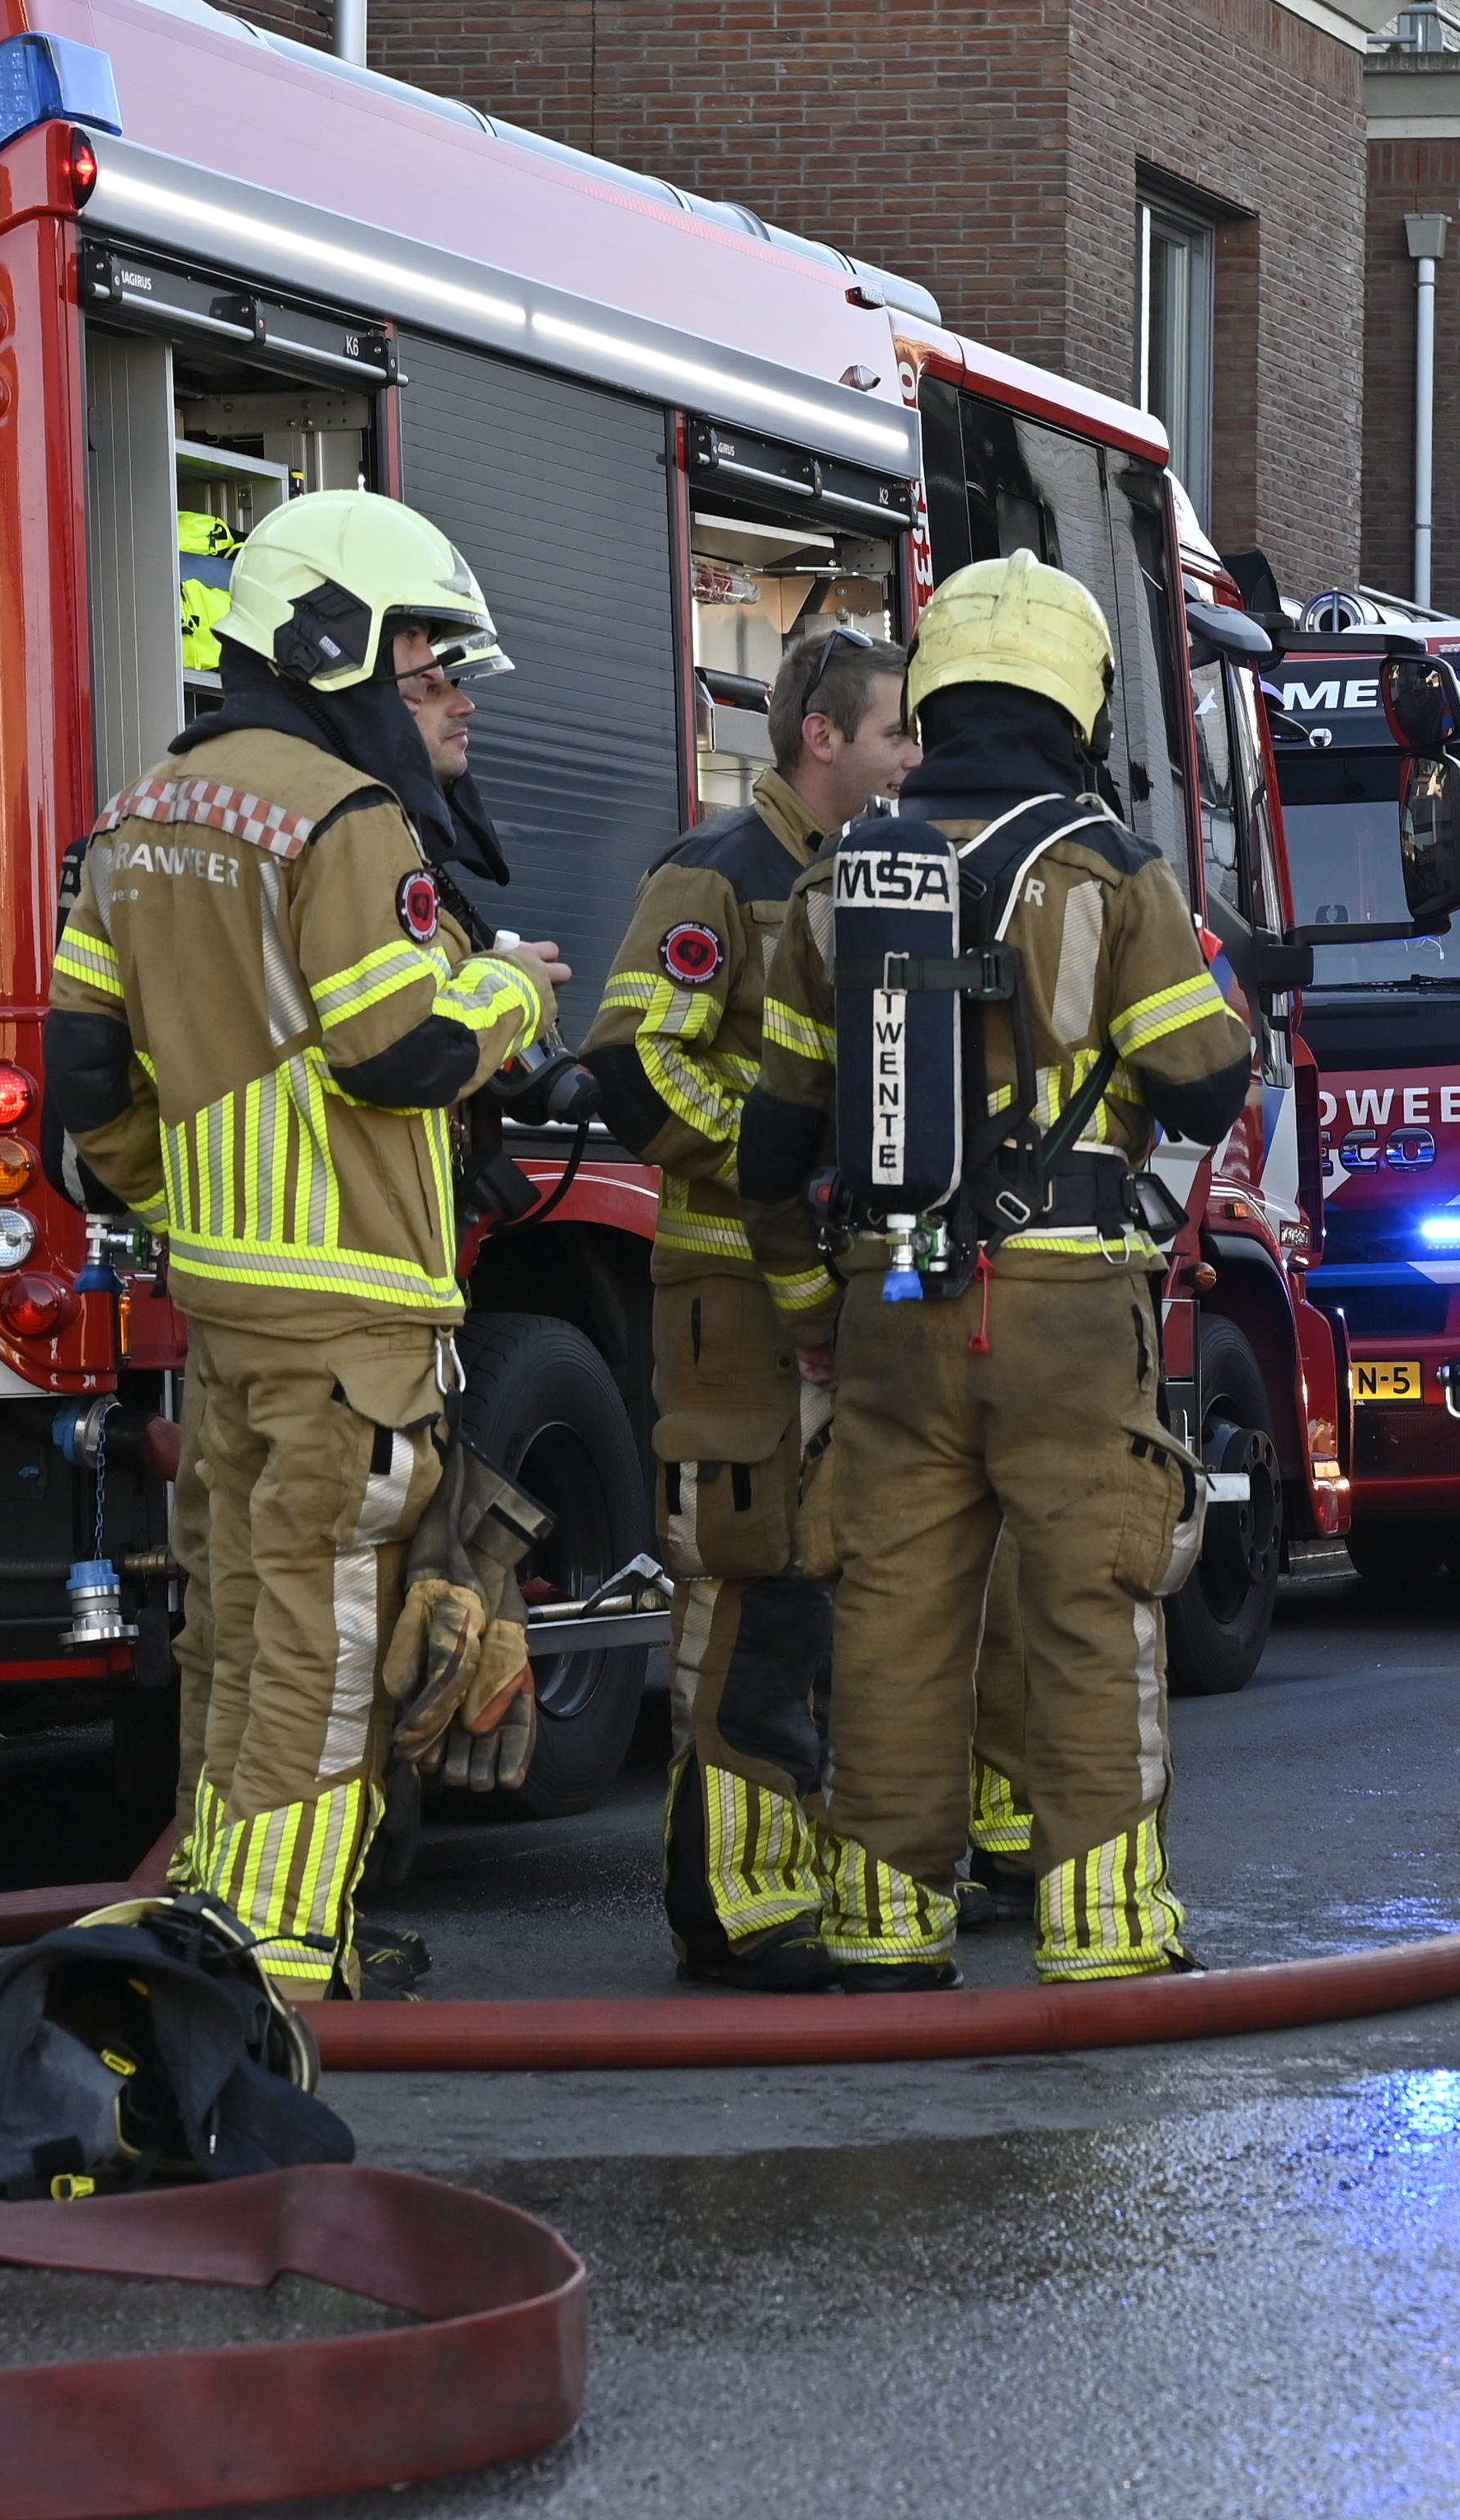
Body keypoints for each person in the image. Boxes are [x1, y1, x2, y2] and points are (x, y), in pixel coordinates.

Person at [46, 491, 561, 2003]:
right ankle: (273, 1957)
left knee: (231, 1623)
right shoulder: (347, 819)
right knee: (330, 1642)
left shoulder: (140, 815)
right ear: (330, 637)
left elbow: (89, 1083)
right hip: (352, 1321)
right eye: (418, 649)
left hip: (223, 1308)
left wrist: (200, 1197)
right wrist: (516, 1000)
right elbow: (395, 1048)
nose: (435, 680)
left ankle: (215, 1907)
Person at [735, 553, 1254, 1988]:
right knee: (1089, 1604)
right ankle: (1102, 1927)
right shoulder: (1112, 872)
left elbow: (775, 1139)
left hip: (896, 1292)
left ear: (942, 687)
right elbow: (1208, 1089)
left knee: (895, 1608)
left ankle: (883, 1925)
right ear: (1076, 698)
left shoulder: (844, 876)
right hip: (1071, 1302)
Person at [588, 623, 915, 1988]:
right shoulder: (717, 875)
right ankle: (733, 1903)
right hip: (730, 1295)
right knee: (748, 1592)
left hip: (832, 1295)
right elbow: (632, 1065)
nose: (913, 756)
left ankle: (802, 1877)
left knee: (826, 1595)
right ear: (823, 735)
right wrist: (777, 1154)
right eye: (897, 729)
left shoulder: (879, 880)